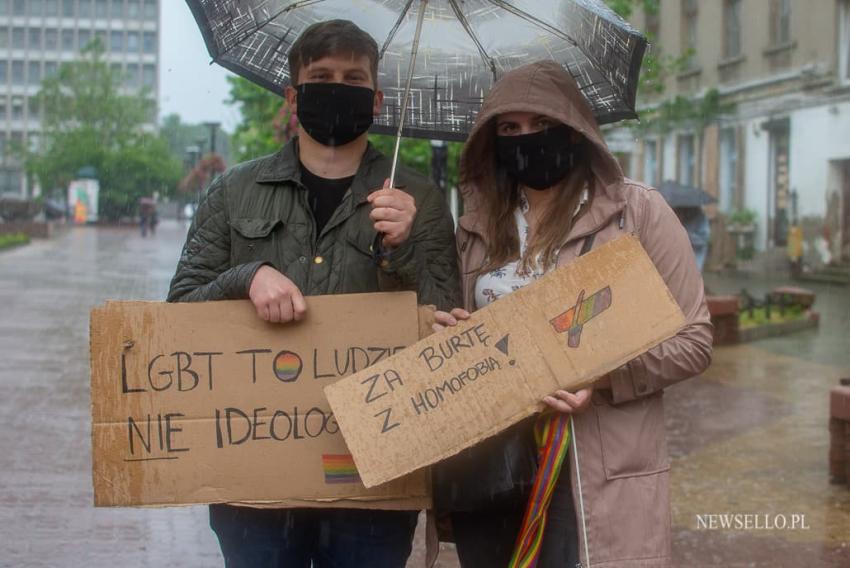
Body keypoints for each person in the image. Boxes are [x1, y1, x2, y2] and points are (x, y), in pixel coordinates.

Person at [167, 20, 460, 568]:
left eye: (353, 78)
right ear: (293, 95)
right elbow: (178, 315)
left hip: (374, 475)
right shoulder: (234, 191)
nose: (337, 86)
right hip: (255, 471)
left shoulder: (420, 197)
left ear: (374, 100)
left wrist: (404, 248)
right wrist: (245, 276)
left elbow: (445, 328)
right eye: (321, 76)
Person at [431, 61, 713, 568]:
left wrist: (602, 376)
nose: (527, 140)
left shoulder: (638, 214)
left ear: (577, 130)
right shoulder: (475, 229)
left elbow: (694, 340)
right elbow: (465, 337)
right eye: (509, 129)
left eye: (543, 125)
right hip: (492, 464)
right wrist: (451, 334)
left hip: (588, 465)